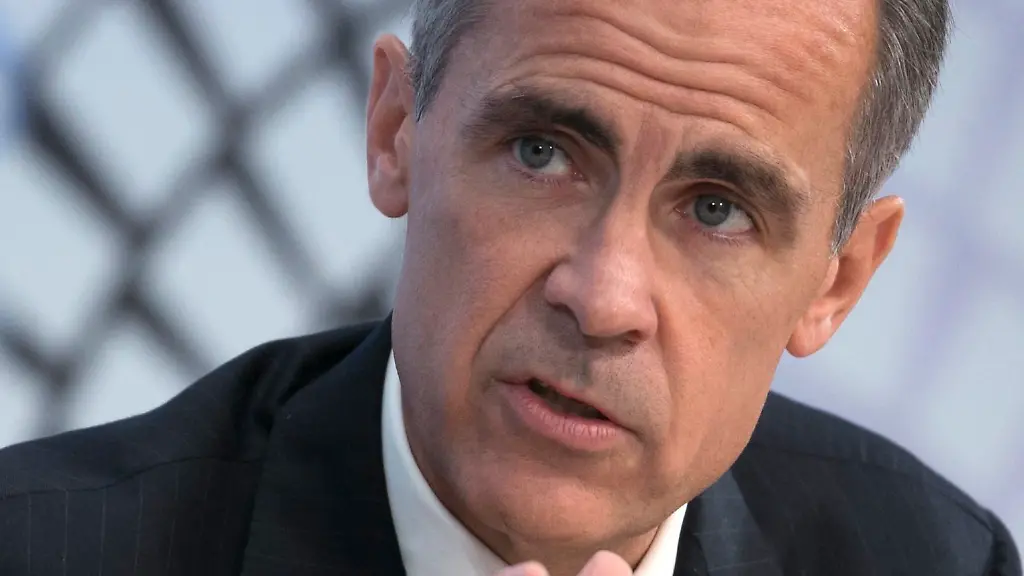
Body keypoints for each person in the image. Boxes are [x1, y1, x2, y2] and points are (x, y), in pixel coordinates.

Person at [0, 0, 1019, 574]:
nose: (603, 298)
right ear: (396, 131)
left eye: (717, 210)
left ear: (838, 281)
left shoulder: (934, 560)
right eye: (543, 152)